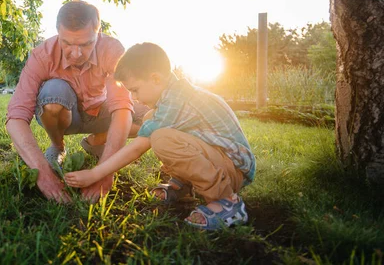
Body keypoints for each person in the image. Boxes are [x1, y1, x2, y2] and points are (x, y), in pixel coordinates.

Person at [65, 42, 256, 230]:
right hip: (221, 160)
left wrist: (95, 174)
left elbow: (139, 146)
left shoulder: (178, 100)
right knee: (151, 120)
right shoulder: (173, 96)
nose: (135, 98)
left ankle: (226, 202)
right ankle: (183, 185)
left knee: (161, 139)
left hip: (234, 169)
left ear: (155, 78)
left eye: (135, 90)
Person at [6, 1, 147, 203]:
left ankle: (96, 141)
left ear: (98, 34)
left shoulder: (112, 49)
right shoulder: (42, 55)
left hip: (101, 112)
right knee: (54, 91)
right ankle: (58, 146)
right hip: (66, 116)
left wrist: (105, 171)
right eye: (67, 43)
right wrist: (43, 175)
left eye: (86, 44)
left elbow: (122, 108)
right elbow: (15, 117)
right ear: (57, 33)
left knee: (153, 116)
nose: (76, 53)